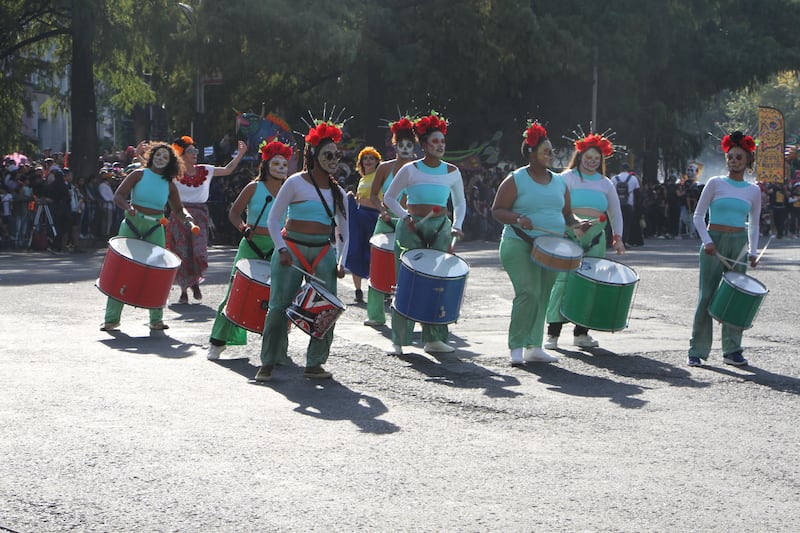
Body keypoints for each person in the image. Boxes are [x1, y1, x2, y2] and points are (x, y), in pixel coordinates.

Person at [255, 119, 350, 382]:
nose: (333, 159)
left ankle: (315, 363)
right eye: (328, 155)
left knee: (327, 309)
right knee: (278, 307)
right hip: (292, 250)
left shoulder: (338, 192)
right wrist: (282, 248)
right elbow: (274, 220)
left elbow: (344, 231)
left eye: (336, 155)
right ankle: (269, 362)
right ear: (314, 155)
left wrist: (341, 260)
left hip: (323, 252)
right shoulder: (295, 183)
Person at [491, 120, 590, 366]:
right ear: (532, 154)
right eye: (547, 151)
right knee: (528, 292)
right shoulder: (516, 179)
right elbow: (497, 210)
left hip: (552, 249)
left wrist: (578, 224)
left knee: (543, 295)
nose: (551, 155)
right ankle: (516, 346)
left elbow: (567, 215)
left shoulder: (559, 182)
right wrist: (517, 218)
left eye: (552, 151)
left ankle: (534, 346)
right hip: (519, 243)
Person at [383, 111, 466, 355]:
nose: (440, 145)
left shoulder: (452, 171)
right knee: (406, 281)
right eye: (435, 141)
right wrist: (405, 216)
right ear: (424, 145)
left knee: (439, 283)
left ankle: (435, 338)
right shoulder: (410, 169)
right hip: (411, 228)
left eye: (442, 141)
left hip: (440, 227)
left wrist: (457, 225)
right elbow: (389, 197)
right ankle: (399, 339)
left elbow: (460, 204)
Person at [207, 140, 292, 360]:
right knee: (235, 291)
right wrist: (243, 227)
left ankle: (276, 348)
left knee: (278, 297)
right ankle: (217, 342)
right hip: (251, 245)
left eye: (285, 163)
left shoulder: (289, 190)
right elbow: (234, 213)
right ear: (266, 164)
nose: (281, 167)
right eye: (276, 162)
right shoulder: (254, 187)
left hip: (277, 247)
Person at [101, 143, 194, 332]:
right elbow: (119, 196)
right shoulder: (138, 174)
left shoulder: (169, 184)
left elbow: (178, 209)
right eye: (158, 155)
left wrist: (188, 218)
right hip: (132, 225)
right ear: (151, 156)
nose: (161, 159)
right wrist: (128, 208)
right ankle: (111, 319)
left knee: (158, 272)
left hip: (155, 227)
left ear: (170, 162)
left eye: (165, 157)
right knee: (122, 270)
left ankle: (156, 319)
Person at [687, 131, 761, 367]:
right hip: (713, 242)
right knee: (706, 296)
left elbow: (755, 223)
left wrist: (753, 251)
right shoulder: (715, 183)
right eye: (730, 157)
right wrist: (707, 240)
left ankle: (732, 350)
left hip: (739, 244)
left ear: (747, 160)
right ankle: (697, 349)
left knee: (737, 297)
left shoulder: (753, 190)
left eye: (739, 158)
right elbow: (698, 216)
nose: (734, 161)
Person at [545, 132, 625, 350]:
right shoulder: (566, 178)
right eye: (588, 157)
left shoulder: (606, 183)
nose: (592, 162)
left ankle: (581, 333)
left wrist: (618, 238)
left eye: (596, 159)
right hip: (567, 236)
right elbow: (555, 206)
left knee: (589, 284)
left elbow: (615, 213)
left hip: (595, 240)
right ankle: (552, 333)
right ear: (579, 156)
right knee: (561, 283)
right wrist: (570, 227)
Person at [166, 135, 247, 304]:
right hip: (179, 214)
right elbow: (154, 170)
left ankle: (194, 281)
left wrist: (240, 154)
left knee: (199, 250)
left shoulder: (205, 170)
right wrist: (139, 156)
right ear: (181, 154)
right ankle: (184, 290)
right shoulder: (174, 173)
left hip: (200, 215)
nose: (195, 153)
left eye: (195, 150)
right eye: (190, 151)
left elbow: (227, 170)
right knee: (182, 251)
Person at [363, 116, 416, 327]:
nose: (405, 148)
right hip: (386, 222)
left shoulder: (419, 168)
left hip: (410, 223)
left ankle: (408, 312)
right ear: (394, 144)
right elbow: (374, 195)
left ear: (415, 146)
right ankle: (375, 314)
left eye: (409, 145)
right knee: (377, 267)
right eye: (401, 144)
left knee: (410, 268)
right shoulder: (384, 168)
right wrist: (382, 210)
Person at [344, 146, 382, 303]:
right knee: (356, 250)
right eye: (365, 158)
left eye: (371, 158)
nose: (368, 161)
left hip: (375, 218)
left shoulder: (380, 176)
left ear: (377, 162)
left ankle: (380, 288)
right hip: (360, 216)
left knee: (376, 253)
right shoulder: (361, 179)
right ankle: (358, 290)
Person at [612, 163, 643, 247]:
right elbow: (637, 193)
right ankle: (624, 242)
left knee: (616, 224)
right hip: (628, 204)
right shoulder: (633, 179)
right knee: (626, 224)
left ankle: (615, 241)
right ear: (628, 169)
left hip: (616, 205)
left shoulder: (614, 178)